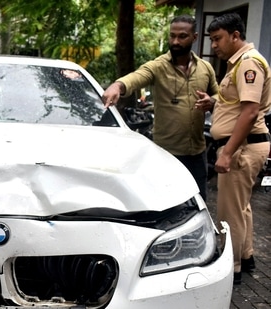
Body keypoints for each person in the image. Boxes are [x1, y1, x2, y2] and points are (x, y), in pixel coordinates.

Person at [102, 15, 219, 201]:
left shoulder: (206, 68)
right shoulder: (158, 66)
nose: (175, 41)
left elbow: (218, 94)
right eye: (172, 36)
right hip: (166, 153)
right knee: (166, 202)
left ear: (194, 37)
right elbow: (137, 76)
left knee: (199, 201)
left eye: (182, 36)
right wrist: (118, 85)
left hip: (197, 152)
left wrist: (212, 101)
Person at [206, 12, 271, 285]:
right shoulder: (238, 64)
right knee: (241, 207)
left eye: (218, 39)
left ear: (235, 35)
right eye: (211, 40)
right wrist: (212, 102)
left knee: (229, 213)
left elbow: (250, 111)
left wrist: (228, 152)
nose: (214, 46)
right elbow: (237, 105)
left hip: (242, 147)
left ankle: (229, 269)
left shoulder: (248, 63)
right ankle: (245, 256)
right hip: (244, 146)